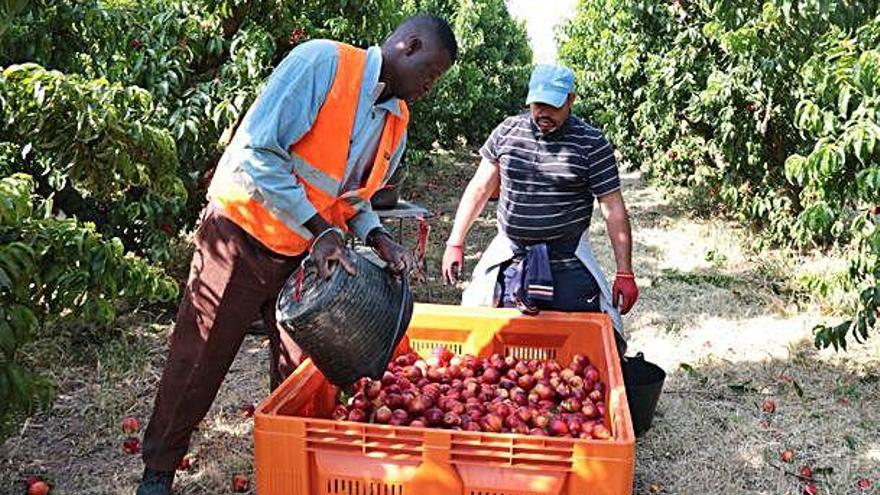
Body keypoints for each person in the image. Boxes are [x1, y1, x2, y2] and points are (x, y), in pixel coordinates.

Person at [137, 15, 457, 495]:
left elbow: (354, 197)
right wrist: (321, 231)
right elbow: (256, 153)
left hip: (305, 258)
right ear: (407, 45)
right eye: (430, 74)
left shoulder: (398, 123)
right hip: (242, 234)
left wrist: (376, 237)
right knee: (200, 358)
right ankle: (158, 471)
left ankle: (293, 472)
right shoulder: (323, 64)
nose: (429, 88)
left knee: (304, 373)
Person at [441, 64, 637, 349]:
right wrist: (455, 242)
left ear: (571, 100)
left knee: (584, 344)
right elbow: (480, 187)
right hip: (512, 258)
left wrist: (625, 272)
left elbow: (613, 209)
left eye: (553, 106)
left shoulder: (591, 144)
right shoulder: (507, 131)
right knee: (495, 342)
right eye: (537, 104)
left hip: (568, 260)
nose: (543, 113)